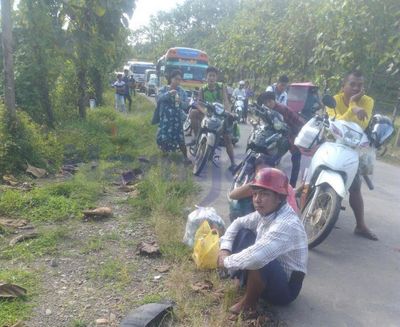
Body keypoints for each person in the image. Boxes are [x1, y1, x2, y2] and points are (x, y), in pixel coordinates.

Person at [219, 168, 308, 318]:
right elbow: (238, 223)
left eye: (264, 194)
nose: (257, 200)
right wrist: (225, 249)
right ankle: (240, 279)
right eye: (255, 194)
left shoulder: (287, 223)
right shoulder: (266, 211)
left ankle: (249, 304)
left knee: (260, 258)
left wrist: (226, 262)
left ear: (279, 197)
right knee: (243, 232)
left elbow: (257, 257)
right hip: (271, 274)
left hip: (286, 290)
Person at [327, 69, 377, 241]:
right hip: (333, 142)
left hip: (353, 148)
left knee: (355, 187)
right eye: (352, 84)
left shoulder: (368, 101)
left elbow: (361, 125)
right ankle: (302, 209)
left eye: (360, 85)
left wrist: (354, 105)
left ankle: (361, 225)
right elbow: (336, 121)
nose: (356, 88)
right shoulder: (334, 99)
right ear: (343, 86)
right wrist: (354, 107)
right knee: (313, 172)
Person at [189, 66, 237, 172]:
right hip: (207, 114)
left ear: (216, 77)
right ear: (206, 77)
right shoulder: (203, 89)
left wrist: (228, 112)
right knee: (193, 113)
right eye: (210, 76)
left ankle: (233, 163)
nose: (211, 78)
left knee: (227, 138)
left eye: (213, 76)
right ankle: (197, 138)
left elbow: (226, 101)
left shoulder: (221, 87)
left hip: (220, 114)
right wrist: (204, 111)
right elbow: (199, 103)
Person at [229, 154, 299, 222]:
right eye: (261, 172)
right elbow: (232, 195)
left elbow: (232, 195)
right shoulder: (283, 182)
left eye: (266, 171)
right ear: (255, 172)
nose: (264, 175)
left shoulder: (270, 186)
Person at [258, 91, 305, 187]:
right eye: (265, 103)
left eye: (269, 102)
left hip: (298, 133)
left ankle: (292, 186)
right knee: (275, 156)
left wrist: (291, 139)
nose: (268, 104)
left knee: (294, 159)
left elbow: (286, 126)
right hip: (288, 133)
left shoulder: (280, 109)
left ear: (274, 100)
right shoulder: (272, 109)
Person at [155, 70, 190, 162]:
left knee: (180, 138)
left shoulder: (182, 92)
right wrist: (169, 94)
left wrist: (179, 102)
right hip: (165, 118)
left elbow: (186, 105)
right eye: (176, 79)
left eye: (179, 80)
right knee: (164, 137)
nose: (177, 81)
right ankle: (165, 156)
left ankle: (185, 157)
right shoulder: (163, 89)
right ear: (171, 79)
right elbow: (158, 99)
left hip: (177, 119)